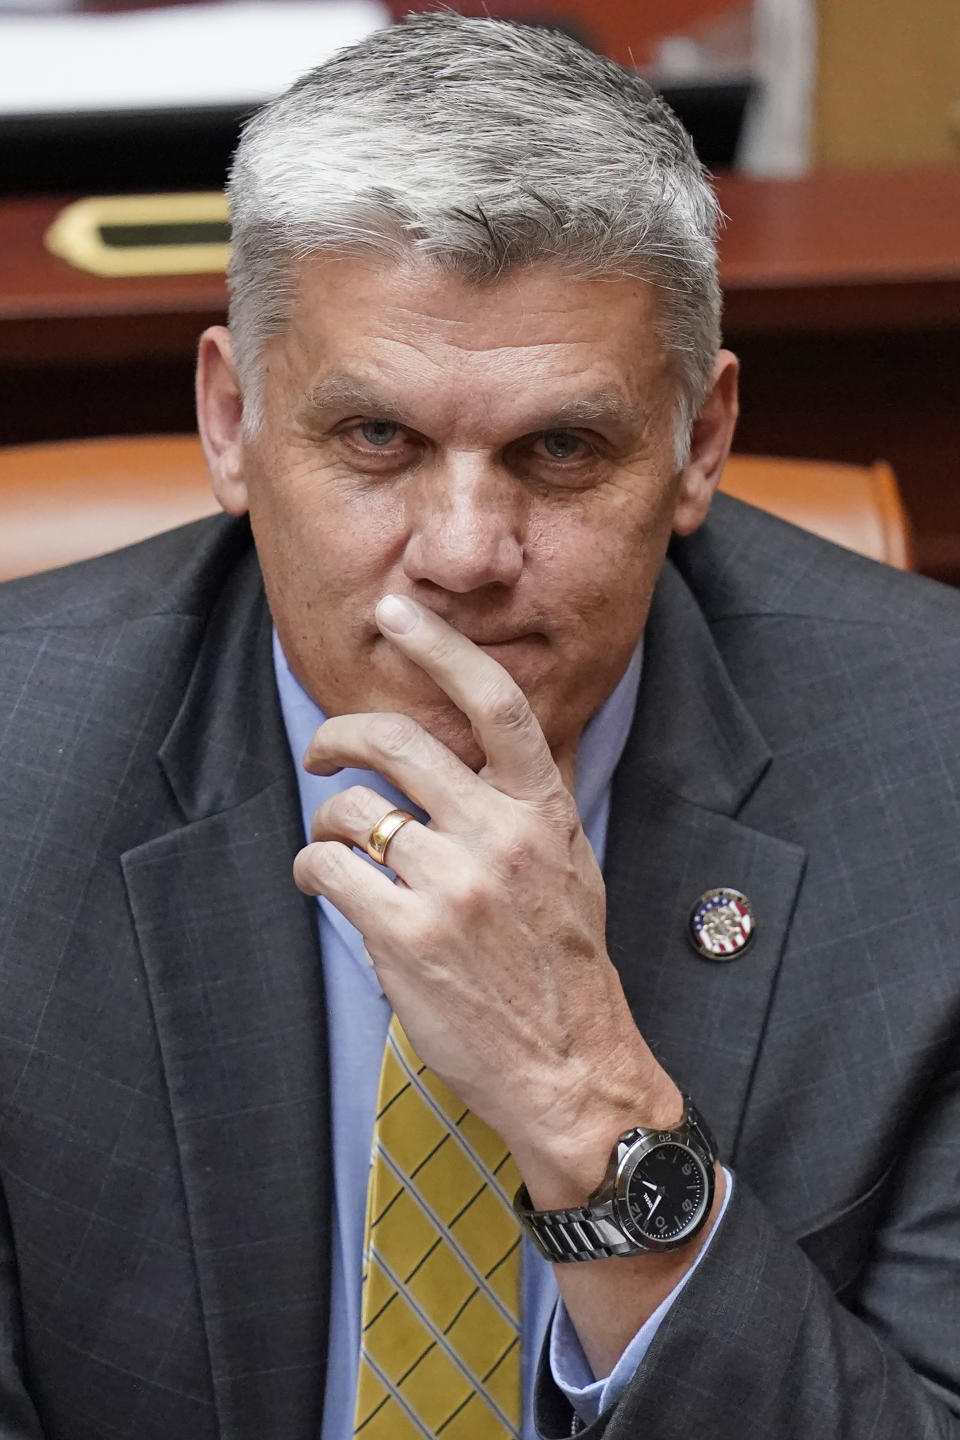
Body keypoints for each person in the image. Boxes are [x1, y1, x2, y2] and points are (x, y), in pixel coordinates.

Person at [0, 12, 958, 1439]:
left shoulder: (935, 773)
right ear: (228, 419)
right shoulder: (19, 763)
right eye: (376, 440)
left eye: (559, 449)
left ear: (698, 441)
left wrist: (590, 1110)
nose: (461, 551)